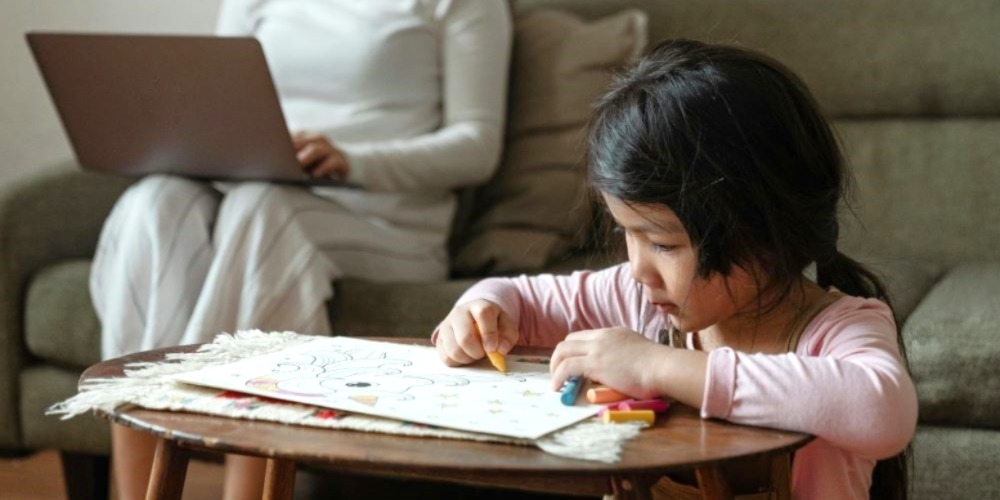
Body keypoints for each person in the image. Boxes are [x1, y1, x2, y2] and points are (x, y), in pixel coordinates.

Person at [433, 39, 917, 499]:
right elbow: (516, 297)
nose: (637, 268)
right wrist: (480, 311)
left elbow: (881, 411)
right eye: (626, 233)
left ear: (764, 232)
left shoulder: (837, 331)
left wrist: (656, 366)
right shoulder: (637, 299)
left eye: (663, 243)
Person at [90, 1, 511, 498]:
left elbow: (477, 146)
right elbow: (216, 103)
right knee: (152, 201)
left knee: (264, 209)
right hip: (249, 188)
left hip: (385, 219)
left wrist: (351, 162)